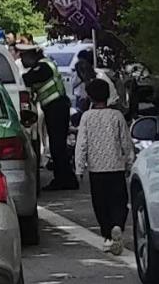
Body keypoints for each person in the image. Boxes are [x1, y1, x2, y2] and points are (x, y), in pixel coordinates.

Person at [77, 75, 137, 252]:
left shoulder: (87, 117)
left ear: (90, 97)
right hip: (116, 166)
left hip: (96, 169)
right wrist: (129, 161)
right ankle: (118, 224)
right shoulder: (117, 116)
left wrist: (79, 167)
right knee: (119, 200)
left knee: (101, 203)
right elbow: (125, 140)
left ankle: (108, 235)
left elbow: (82, 144)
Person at [32, 50, 76, 191]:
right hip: (56, 108)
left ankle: (63, 180)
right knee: (58, 146)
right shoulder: (46, 64)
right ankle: (66, 178)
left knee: (58, 146)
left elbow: (30, 77)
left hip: (56, 108)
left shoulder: (43, 66)